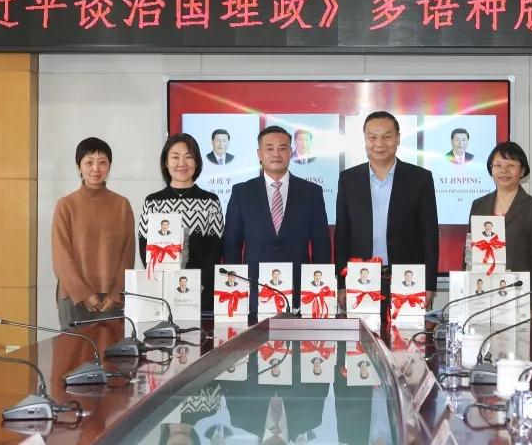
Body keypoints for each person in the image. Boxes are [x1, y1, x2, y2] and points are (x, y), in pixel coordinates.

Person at [223, 126, 331, 314]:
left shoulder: (311, 192)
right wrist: (235, 288)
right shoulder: (242, 192)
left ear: (291, 152)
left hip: (300, 291)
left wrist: (319, 287)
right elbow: (232, 245)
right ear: (259, 153)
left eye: (282, 148)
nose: (276, 154)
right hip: (253, 290)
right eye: (269, 148)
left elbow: (321, 245)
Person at [336, 111, 439, 297]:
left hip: (409, 278)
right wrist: (342, 284)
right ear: (365, 139)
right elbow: (342, 235)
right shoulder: (348, 179)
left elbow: (429, 235)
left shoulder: (420, 179)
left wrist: (429, 284)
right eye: (372, 137)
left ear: (398, 138)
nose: (379, 143)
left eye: (387, 137)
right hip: (360, 278)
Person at [51, 137, 135, 329]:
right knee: (73, 349)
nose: (96, 168)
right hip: (74, 298)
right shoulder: (66, 205)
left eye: (102, 162)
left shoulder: (122, 205)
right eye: (89, 162)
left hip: (111, 301)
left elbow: (127, 255)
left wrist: (115, 294)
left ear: (109, 166)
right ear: (79, 166)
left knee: (113, 349)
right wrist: (84, 294)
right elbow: (61, 257)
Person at [139, 133, 224, 315]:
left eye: (188, 157)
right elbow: (145, 248)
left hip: (201, 292)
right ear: (166, 162)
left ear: (197, 162)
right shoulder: (152, 202)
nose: (182, 163)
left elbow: (215, 251)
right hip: (163, 294)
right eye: (175, 157)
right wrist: (162, 284)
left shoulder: (211, 201)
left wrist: (197, 285)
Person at [469, 141, 532, 314]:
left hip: (520, 296)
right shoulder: (478, 205)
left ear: (522, 171)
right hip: (483, 294)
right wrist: (468, 291)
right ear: (491, 169)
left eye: (511, 165)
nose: (504, 170)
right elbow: (470, 251)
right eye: (498, 165)